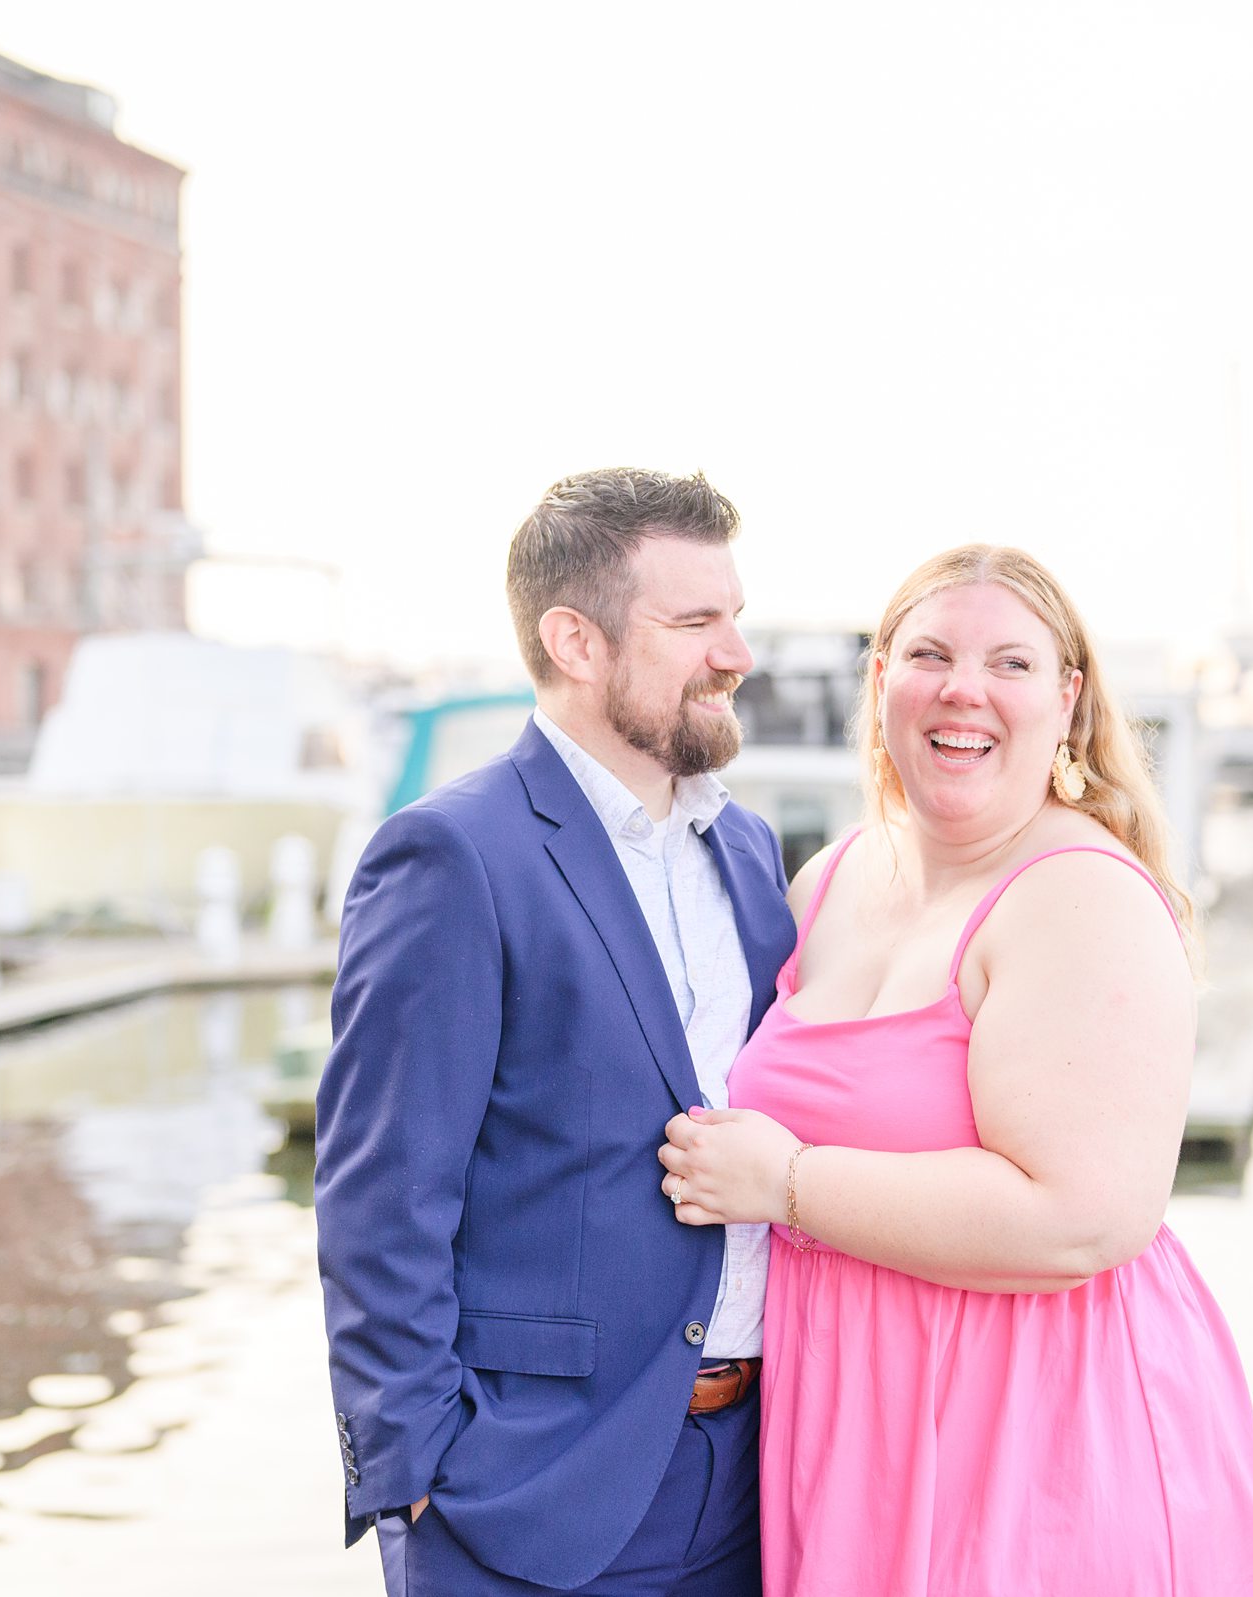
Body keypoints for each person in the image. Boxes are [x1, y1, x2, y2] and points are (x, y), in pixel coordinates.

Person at [659, 544, 1253, 1595]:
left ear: (1070, 703)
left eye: (1013, 664)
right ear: (882, 681)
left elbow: (1082, 1219)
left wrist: (786, 1182)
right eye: (928, 653)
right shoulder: (832, 877)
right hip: (848, 1420)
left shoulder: (1081, 898)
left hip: (1034, 1438)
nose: (963, 690)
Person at [316, 468, 798, 1595]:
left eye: (736, 617)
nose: (736, 653)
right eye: (695, 623)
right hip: (528, 1493)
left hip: (755, 1479)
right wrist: (422, 1472)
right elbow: (380, 1199)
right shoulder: (452, 856)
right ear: (575, 642)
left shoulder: (749, 852)